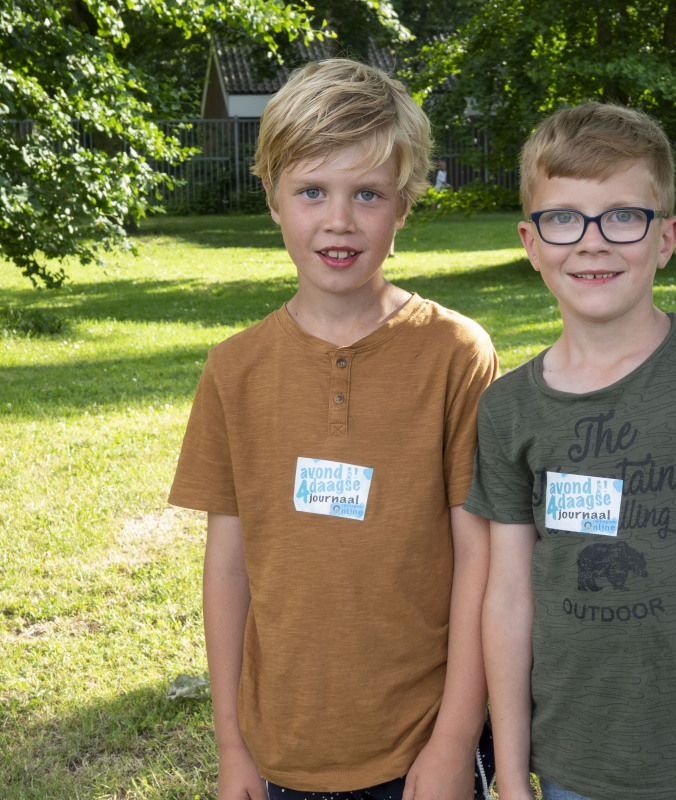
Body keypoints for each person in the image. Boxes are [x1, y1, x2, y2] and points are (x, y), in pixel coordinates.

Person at [169, 59, 498, 800]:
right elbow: (228, 569)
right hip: (279, 751)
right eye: (312, 190)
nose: (339, 220)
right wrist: (232, 747)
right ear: (273, 198)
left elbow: (481, 562)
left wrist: (453, 743)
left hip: (421, 751)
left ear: (404, 205)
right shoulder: (233, 369)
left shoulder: (456, 354)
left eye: (368, 194)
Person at [469, 102, 676, 800]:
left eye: (623, 216)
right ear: (531, 241)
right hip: (575, 764)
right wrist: (511, 769)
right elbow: (507, 596)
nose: (592, 243)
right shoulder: (507, 409)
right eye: (564, 218)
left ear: (665, 237)